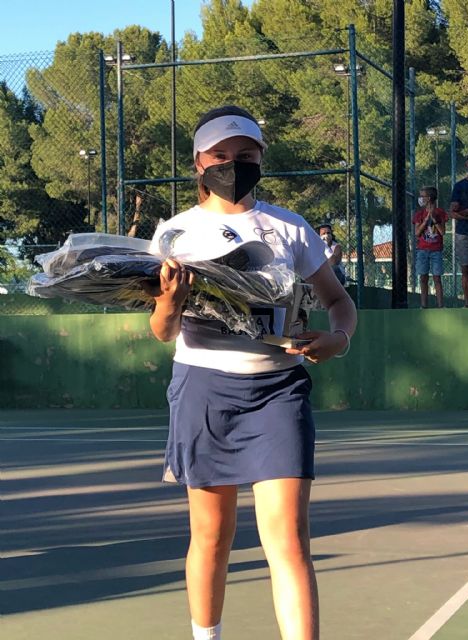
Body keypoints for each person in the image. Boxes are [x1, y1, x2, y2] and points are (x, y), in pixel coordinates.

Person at [148, 105, 357, 640]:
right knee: (211, 536)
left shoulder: (290, 227)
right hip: (203, 389)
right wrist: (169, 302)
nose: (232, 164)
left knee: (288, 538)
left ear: (261, 158)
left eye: (244, 154)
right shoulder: (174, 233)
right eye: (220, 155)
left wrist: (338, 339)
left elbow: (338, 301)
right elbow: (163, 330)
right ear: (198, 163)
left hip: (278, 390)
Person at [450, 151, 468, 307]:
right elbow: (453, 211)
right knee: (465, 269)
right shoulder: (459, 186)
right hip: (462, 233)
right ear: (467, 165)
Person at [412, 186, 448, 308]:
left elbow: (442, 232)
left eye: (422, 196)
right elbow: (417, 233)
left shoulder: (440, 213)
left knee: (437, 278)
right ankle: (424, 305)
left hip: (436, 251)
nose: (420, 199)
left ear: (429, 198)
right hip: (422, 250)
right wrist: (425, 220)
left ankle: (440, 306)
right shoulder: (419, 214)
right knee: (423, 278)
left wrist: (434, 220)